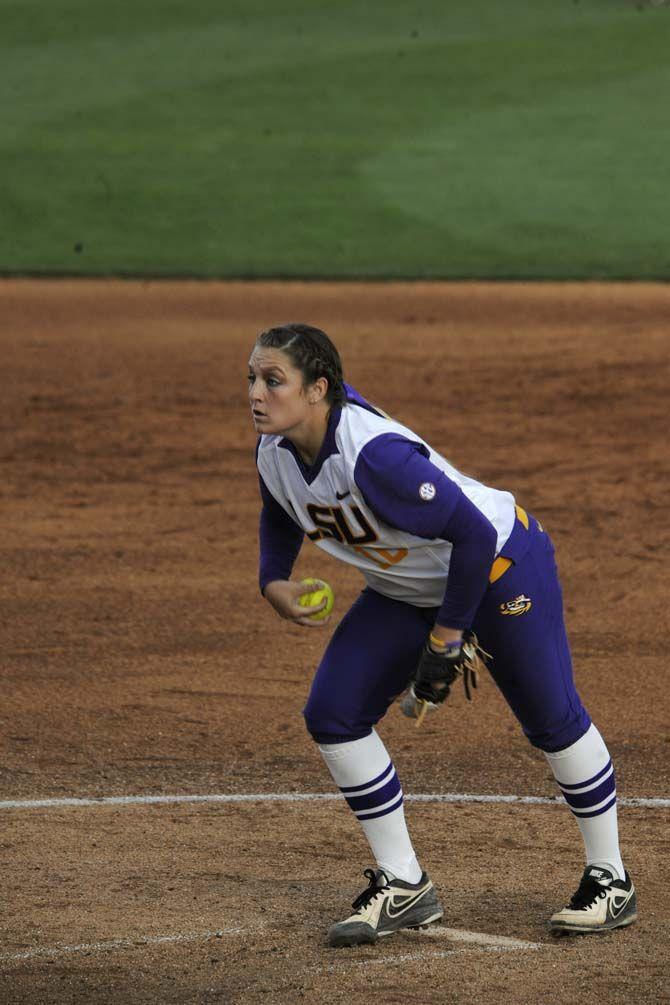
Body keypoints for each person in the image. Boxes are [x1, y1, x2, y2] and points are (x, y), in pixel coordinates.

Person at [249, 322, 636, 948]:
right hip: (409, 588)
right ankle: (404, 883)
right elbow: (279, 508)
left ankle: (611, 878)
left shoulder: (375, 458)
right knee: (334, 713)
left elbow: (475, 537)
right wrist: (274, 581)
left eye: (273, 380)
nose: (257, 394)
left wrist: (446, 640)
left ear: (318, 389)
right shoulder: (274, 450)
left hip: (503, 566)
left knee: (551, 721)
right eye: (253, 379)